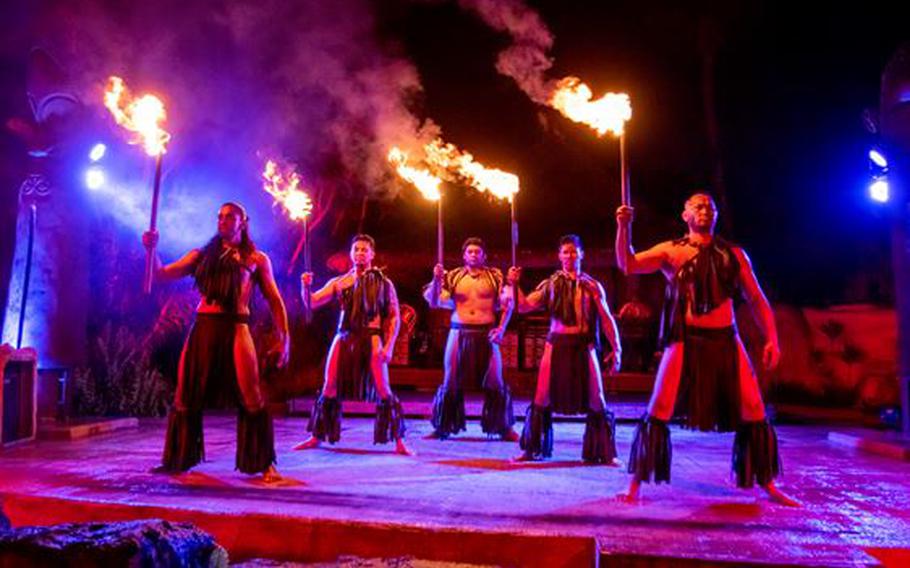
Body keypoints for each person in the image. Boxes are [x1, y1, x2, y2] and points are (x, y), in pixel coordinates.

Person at [615, 192, 797, 506]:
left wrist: (772, 338)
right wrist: (623, 227)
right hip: (685, 339)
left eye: (710, 207)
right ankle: (635, 485)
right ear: (684, 214)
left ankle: (767, 483)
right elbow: (628, 264)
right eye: (697, 205)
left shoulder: (734, 254)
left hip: (726, 338)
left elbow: (756, 299)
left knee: (754, 408)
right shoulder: (671, 251)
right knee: (659, 409)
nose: (705, 210)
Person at [143, 202, 289, 482]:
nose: (222, 221)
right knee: (185, 393)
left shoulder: (256, 259)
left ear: (243, 222)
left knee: (251, 394)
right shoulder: (201, 256)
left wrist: (285, 338)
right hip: (204, 327)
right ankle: (177, 459)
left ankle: (265, 463)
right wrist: (152, 250)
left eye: (229, 217)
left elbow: (275, 300)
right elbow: (161, 275)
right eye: (219, 217)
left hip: (236, 326)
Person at [507, 235, 622, 464]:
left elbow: (606, 318)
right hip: (556, 343)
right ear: (559, 256)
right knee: (541, 397)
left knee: (597, 398)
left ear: (581, 254)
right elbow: (525, 306)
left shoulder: (592, 286)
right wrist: (514, 283)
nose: (569, 255)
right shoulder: (550, 285)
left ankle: (606, 453)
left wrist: (616, 348)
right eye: (565, 252)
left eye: (573, 251)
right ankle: (531, 449)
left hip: (583, 345)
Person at [293, 234, 412, 455]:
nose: (360, 253)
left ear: (372, 254)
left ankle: (400, 441)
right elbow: (312, 302)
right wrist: (305, 287)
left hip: (372, 336)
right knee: (329, 386)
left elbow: (394, 316)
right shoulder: (339, 282)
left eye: (364, 250)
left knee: (384, 389)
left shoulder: (384, 283)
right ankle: (316, 436)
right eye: (356, 249)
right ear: (350, 253)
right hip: (344, 336)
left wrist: (389, 347)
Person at [423, 237, 518, 441]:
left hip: (487, 332)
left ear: (484, 255)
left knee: (495, 380)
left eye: (477, 251)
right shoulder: (454, 276)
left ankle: (504, 428)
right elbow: (433, 301)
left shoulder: (495, 276)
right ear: (464, 255)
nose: (474, 255)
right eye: (470, 252)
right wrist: (436, 279)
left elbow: (508, 304)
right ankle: (442, 426)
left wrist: (501, 328)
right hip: (459, 330)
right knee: (450, 379)